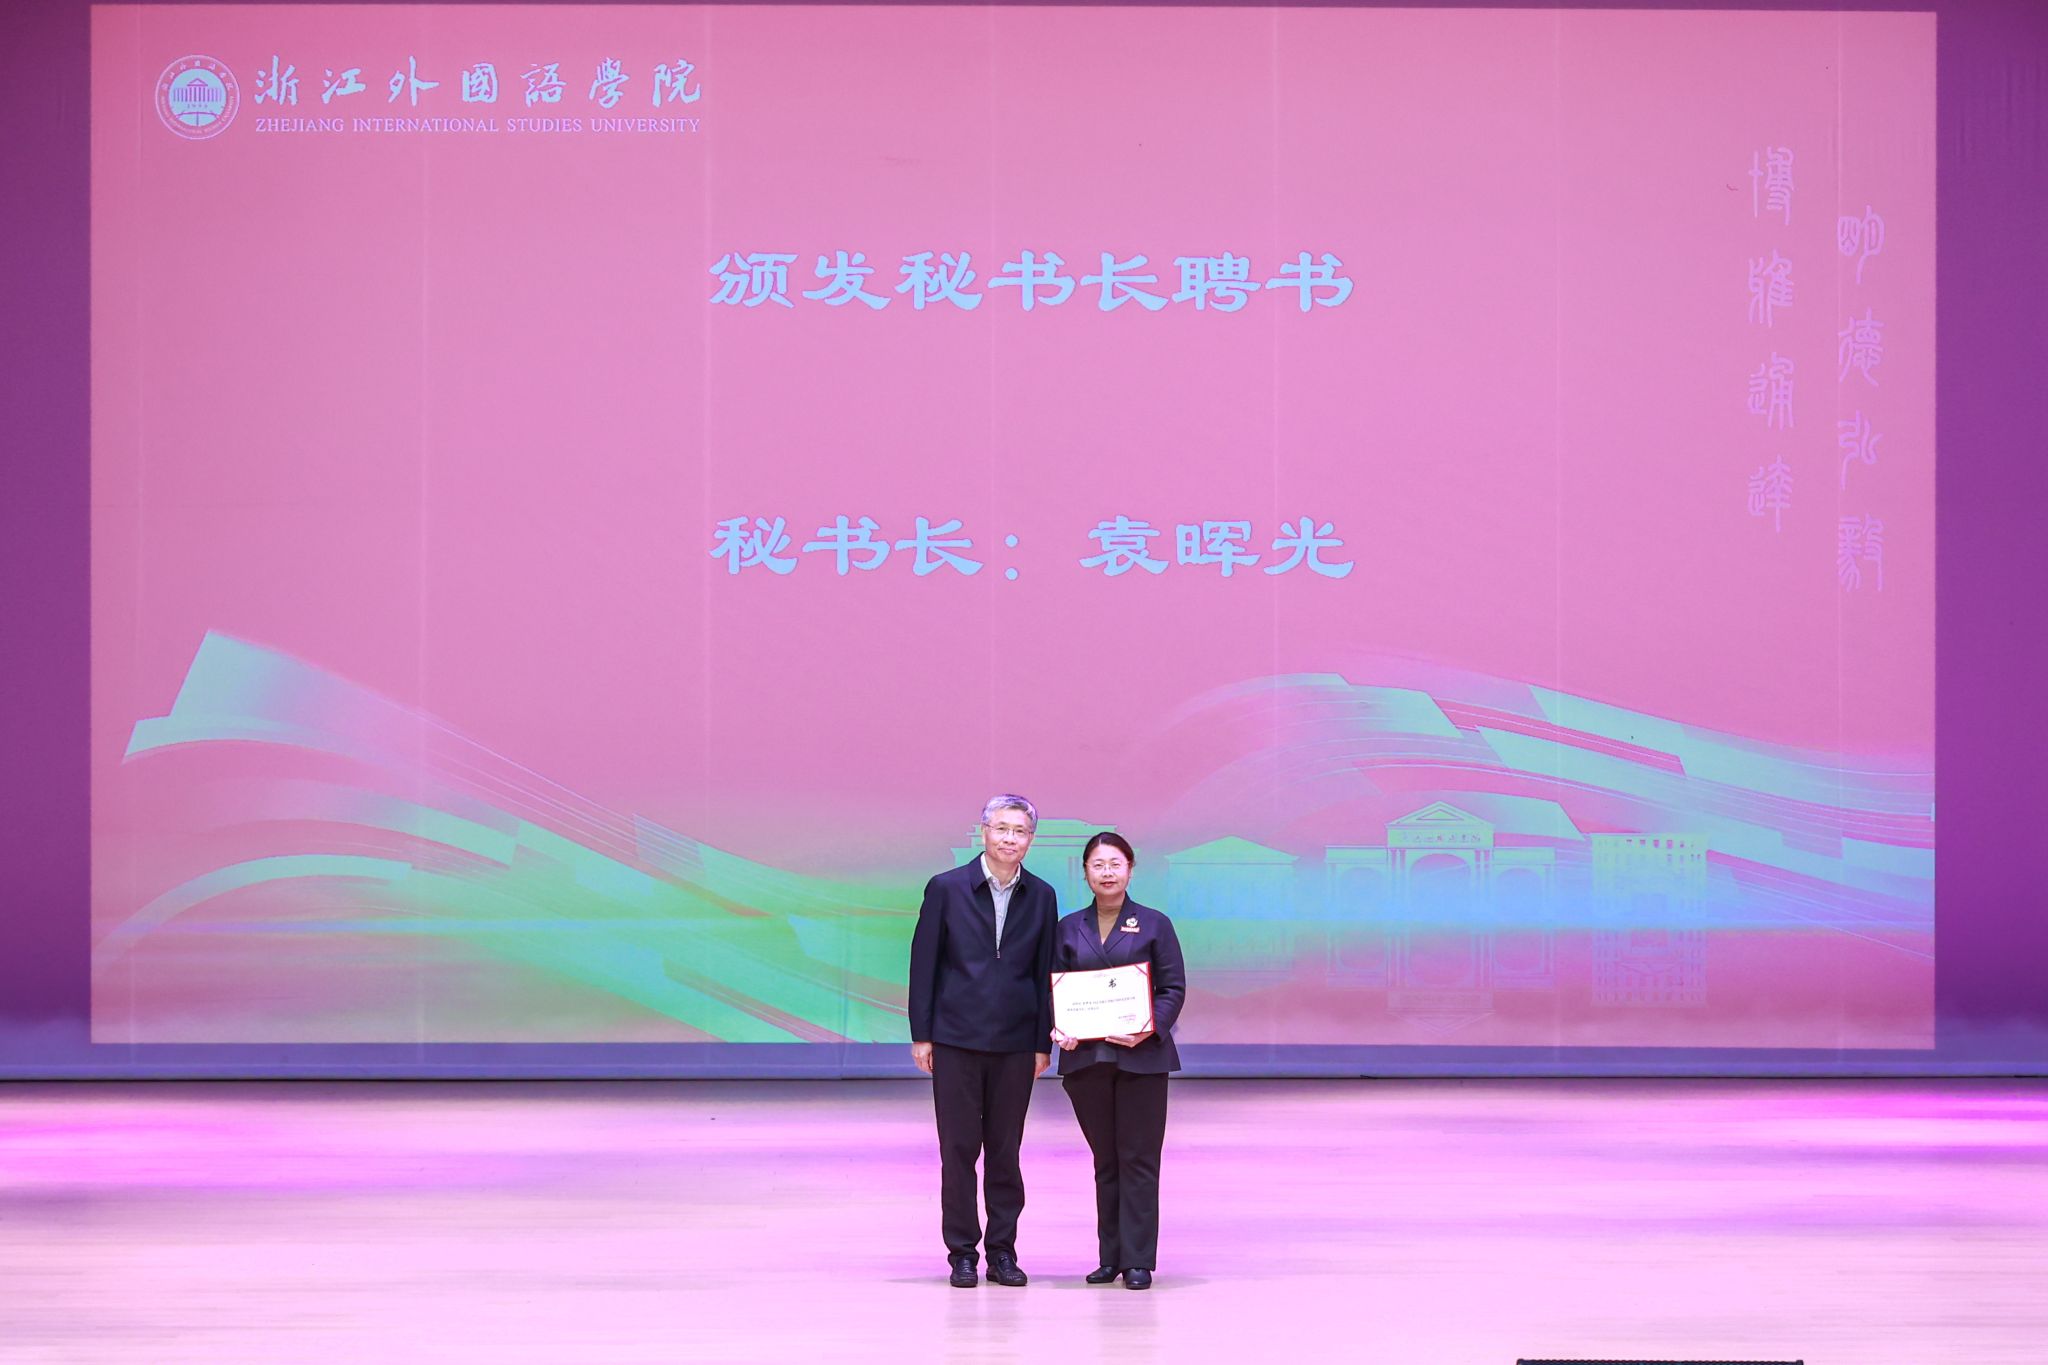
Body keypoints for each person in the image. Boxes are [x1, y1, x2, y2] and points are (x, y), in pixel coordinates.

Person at [907, 795, 1057, 1289]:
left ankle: (1003, 1252)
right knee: (958, 1150)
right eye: (1002, 828)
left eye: (1020, 831)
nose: (1010, 839)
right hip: (955, 1038)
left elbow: (1044, 971)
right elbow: (924, 964)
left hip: (1016, 1042)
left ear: (1030, 839)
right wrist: (922, 1034)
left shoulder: (1042, 895)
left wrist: (1042, 1042)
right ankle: (962, 1253)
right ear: (984, 831)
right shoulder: (946, 888)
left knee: (1005, 1152)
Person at [1049, 831, 1187, 1291]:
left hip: (1142, 1059)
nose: (1106, 872)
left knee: (1139, 1159)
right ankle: (1110, 1257)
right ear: (1085, 872)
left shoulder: (1154, 924)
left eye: (1115, 864)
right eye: (1097, 865)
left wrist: (1148, 1027)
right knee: (1105, 1161)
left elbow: (1172, 988)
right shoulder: (1068, 927)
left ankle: (1139, 1259)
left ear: (1130, 869)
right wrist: (1059, 1026)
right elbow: (1053, 987)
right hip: (1086, 1060)